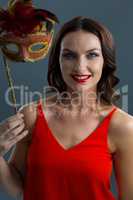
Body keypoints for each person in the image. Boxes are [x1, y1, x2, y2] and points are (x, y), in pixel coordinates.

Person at [0, 16, 133, 200]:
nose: (80, 66)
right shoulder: (32, 115)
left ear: (105, 60)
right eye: (69, 55)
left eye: (92, 54)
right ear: (58, 60)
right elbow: (19, 189)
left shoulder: (123, 127)